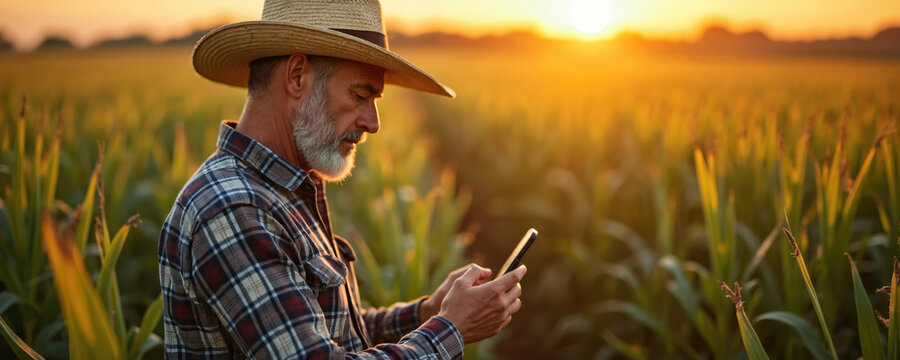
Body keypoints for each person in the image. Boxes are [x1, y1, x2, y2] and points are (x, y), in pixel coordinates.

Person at [157, 0, 526, 358]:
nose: (373, 122)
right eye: (361, 95)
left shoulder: (281, 187)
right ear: (297, 76)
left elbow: (326, 331)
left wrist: (428, 312)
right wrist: (452, 328)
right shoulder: (232, 208)